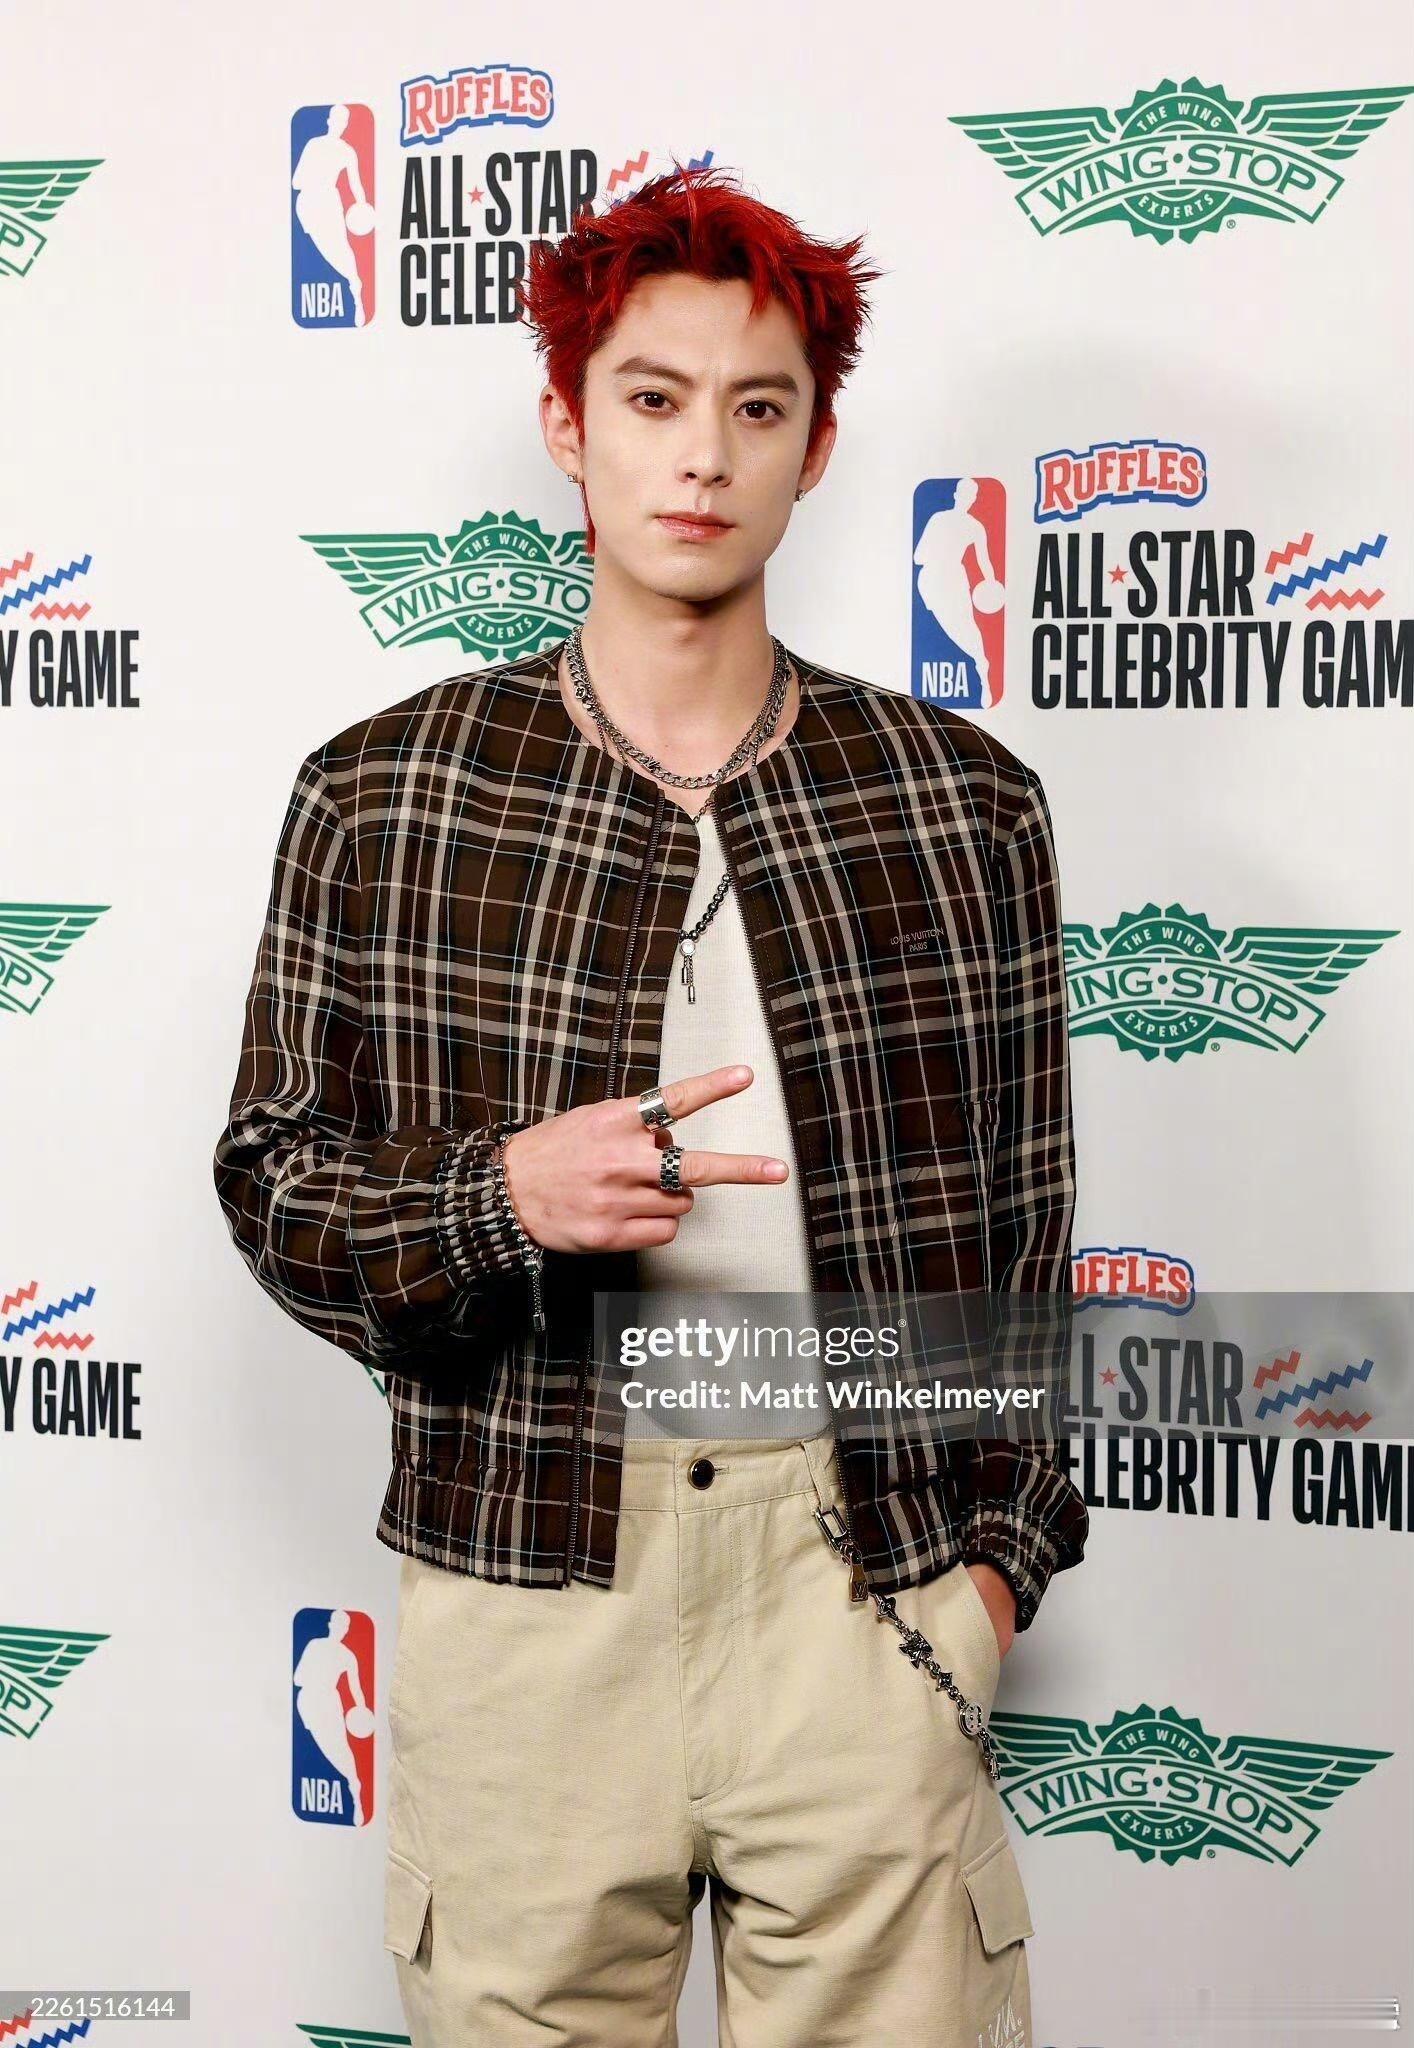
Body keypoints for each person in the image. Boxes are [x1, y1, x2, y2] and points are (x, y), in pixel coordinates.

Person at [213, 163, 1088, 2047]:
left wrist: (990, 1572)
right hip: (527, 1588)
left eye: (756, 407)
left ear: (816, 447)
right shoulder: (386, 792)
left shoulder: (961, 803)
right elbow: (274, 1187)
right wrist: (498, 1200)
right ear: (568, 422)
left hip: (862, 1582)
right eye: (652, 397)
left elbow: (1026, 1242)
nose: (701, 455)